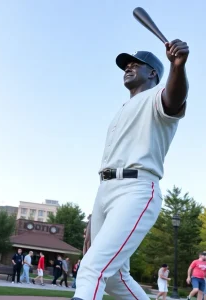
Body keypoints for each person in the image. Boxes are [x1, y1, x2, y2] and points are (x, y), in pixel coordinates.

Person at [72, 38, 190, 300]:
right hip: (105, 191)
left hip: (136, 188)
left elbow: (175, 98)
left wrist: (178, 67)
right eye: (127, 65)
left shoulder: (157, 97)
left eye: (136, 64)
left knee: (91, 268)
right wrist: (95, 214)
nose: (128, 67)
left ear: (153, 73)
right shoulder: (124, 107)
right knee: (114, 278)